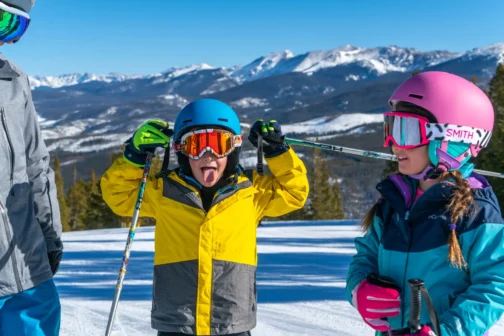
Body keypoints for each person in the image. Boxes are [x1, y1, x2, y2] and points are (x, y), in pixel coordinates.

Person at [101, 98, 309, 335]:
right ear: (180, 149)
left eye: (219, 144)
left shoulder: (251, 193)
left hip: (231, 323)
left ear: (234, 149)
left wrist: (277, 153)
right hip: (177, 322)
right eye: (195, 145)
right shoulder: (163, 192)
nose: (207, 155)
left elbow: (295, 193)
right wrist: (134, 157)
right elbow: (118, 195)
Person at [346, 71, 504, 336]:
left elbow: (495, 285)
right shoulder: (392, 203)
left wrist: (445, 331)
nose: (394, 145)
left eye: (405, 131)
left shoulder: (476, 211)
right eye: (391, 128)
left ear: (453, 139)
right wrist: (359, 288)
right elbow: (366, 257)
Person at [0, 1, 63, 335]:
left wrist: (51, 235)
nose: (3, 38)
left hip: (27, 271)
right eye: (0, 19)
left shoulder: (13, 79)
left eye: (13, 26)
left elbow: (37, 164)